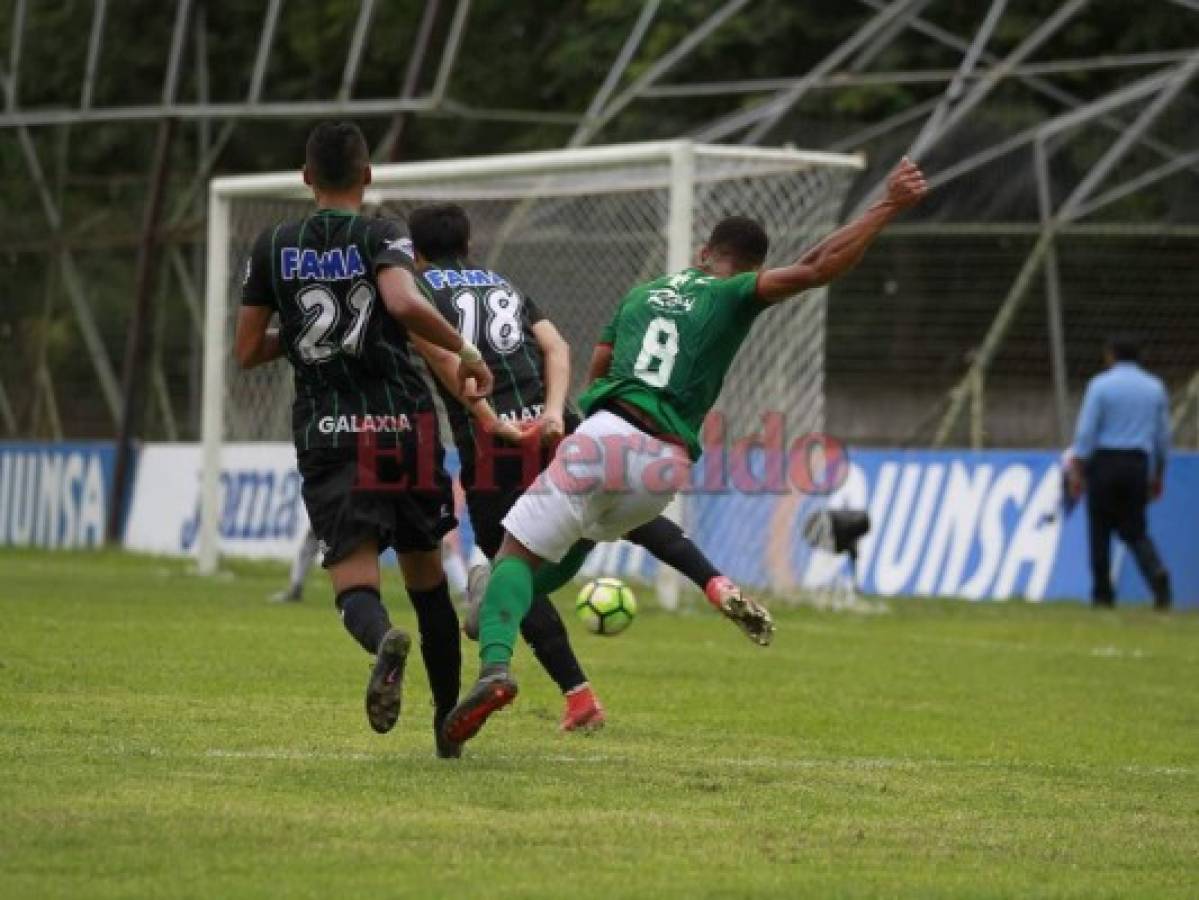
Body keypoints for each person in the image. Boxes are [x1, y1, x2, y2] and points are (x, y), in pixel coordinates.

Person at [442, 157, 929, 746]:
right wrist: (887, 205)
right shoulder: (734, 294)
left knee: (515, 555)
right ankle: (498, 604)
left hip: (608, 432)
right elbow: (819, 266)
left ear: (703, 253)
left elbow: (599, 365)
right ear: (751, 267)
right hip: (667, 467)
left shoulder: (642, 293)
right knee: (576, 540)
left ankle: (495, 659)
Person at [404, 203, 763, 732]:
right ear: (470, 245)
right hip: (556, 426)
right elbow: (555, 345)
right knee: (618, 518)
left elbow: (444, 359)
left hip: (492, 446)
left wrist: (491, 420)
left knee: (513, 560)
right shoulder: (504, 286)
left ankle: (567, 691)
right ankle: (712, 582)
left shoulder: (418, 295)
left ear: (416, 255)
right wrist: (553, 412)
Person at [234, 121, 494, 758]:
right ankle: (445, 730)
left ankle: (381, 640)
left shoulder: (273, 244)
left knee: (354, 582)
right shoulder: (383, 232)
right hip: (402, 424)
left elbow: (245, 351)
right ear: (368, 174)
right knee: (427, 575)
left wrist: (298, 334)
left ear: (305, 177)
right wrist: (463, 347)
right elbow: (403, 303)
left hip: (329, 430)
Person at [1069, 336, 1172, 609]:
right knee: (1135, 529)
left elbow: (1086, 431)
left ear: (1111, 356)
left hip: (1104, 462)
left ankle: (1103, 594)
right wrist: (1158, 474)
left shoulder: (1100, 385)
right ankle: (1156, 573)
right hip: (1137, 464)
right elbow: (1163, 437)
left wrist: (1078, 466)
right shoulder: (1155, 387)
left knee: (1099, 530)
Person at [269, 529, 468, 604]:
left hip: (372, 484)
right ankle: (295, 588)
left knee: (432, 537)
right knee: (313, 534)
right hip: (365, 481)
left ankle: (466, 591)